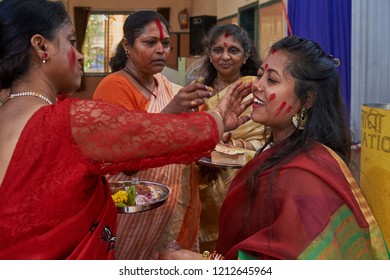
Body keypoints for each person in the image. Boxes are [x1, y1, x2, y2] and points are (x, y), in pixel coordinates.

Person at [0, 0, 253, 260]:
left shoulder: (8, 113)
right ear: (41, 46)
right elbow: (150, 137)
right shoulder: (67, 120)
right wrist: (218, 116)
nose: (81, 55)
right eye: (72, 41)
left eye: (165, 44)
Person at [158, 35, 390, 260]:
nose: (256, 85)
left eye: (272, 80)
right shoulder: (283, 149)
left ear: (307, 99)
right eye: (260, 75)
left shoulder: (305, 178)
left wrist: (201, 263)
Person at [93, 10, 216, 259]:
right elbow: (125, 162)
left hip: (168, 211)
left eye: (166, 43)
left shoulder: (168, 87)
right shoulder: (114, 86)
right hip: (130, 213)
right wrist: (172, 111)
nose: (161, 50)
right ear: (127, 46)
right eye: (150, 42)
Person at [192, 24, 268, 252]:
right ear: (209, 54)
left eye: (233, 50)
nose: (225, 56)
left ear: (246, 56)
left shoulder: (257, 90)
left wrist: (230, 150)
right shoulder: (197, 92)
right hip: (202, 182)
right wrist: (205, 154)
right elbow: (186, 135)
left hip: (242, 182)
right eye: (218, 50)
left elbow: (267, 140)